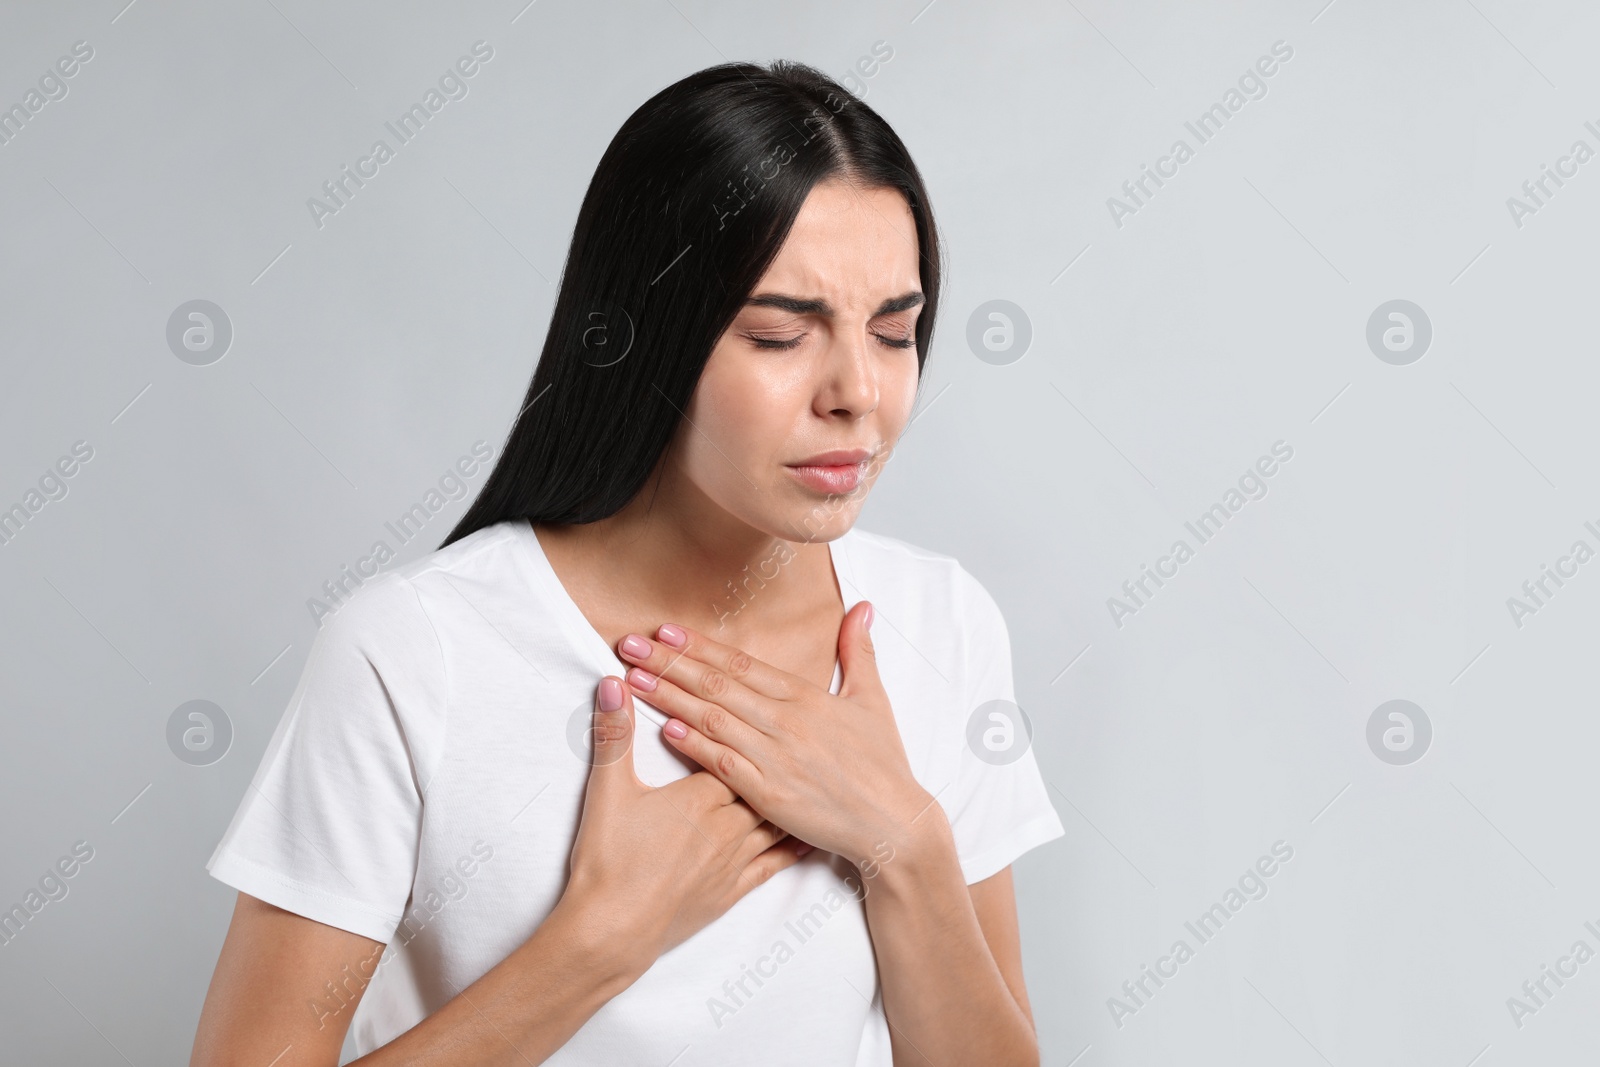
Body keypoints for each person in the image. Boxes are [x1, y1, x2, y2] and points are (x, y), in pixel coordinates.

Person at [191, 59, 1063, 1066]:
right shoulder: (411, 654)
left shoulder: (940, 620)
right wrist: (598, 941)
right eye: (781, 334)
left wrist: (901, 842)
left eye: (895, 331)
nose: (857, 392)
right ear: (647, 339)